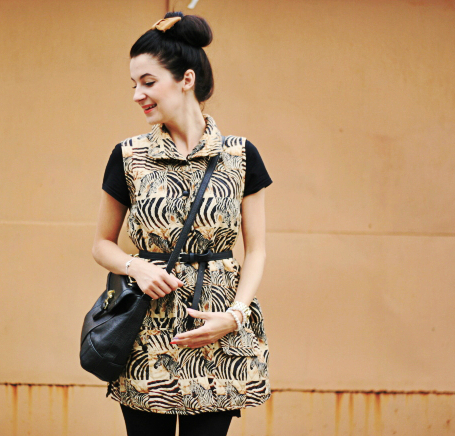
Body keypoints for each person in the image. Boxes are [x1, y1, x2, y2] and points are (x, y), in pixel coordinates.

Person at [92, 11, 272, 436]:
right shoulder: (128, 156)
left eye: (148, 82)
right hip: (147, 337)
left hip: (218, 334)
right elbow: (101, 244)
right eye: (134, 84)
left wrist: (236, 315)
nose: (137, 94)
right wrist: (135, 266)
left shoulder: (240, 155)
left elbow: (257, 250)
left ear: (186, 79)